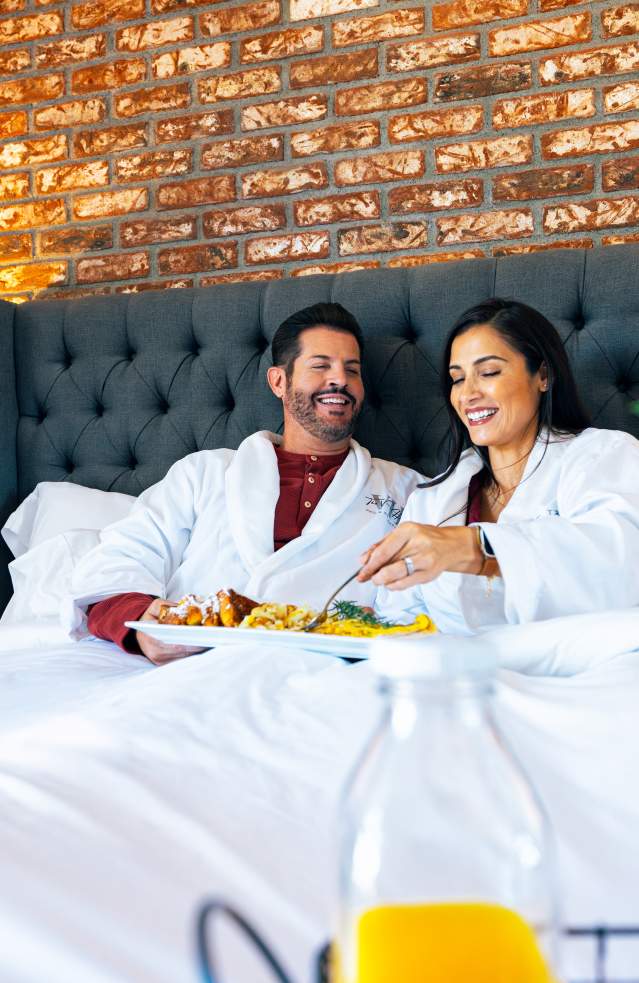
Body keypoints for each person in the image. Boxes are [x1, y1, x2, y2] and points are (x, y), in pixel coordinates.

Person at [70, 303, 422, 664]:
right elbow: (121, 559)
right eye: (320, 366)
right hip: (192, 665)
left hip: (328, 672)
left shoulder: (406, 490)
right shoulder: (203, 473)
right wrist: (142, 625)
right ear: (278, 382)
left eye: (353, 370)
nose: (340, 380)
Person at [358, 298, 639, 634]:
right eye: (457, 379)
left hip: (574, 676)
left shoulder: (604, 455)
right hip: (456, 676)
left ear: (543, 376)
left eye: (489, 372)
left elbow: (620, 563)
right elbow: (401, 613)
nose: (467, 394)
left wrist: (474, 548)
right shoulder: (433, 498)